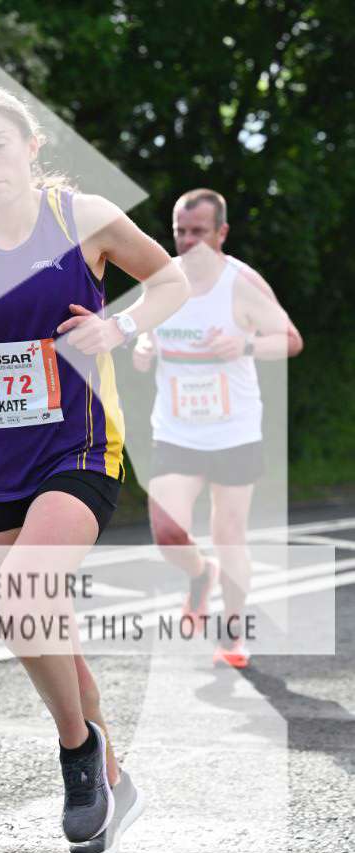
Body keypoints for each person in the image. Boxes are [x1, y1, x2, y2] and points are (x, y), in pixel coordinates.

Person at [0, 87, 189, 853]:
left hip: (79, 449)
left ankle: (78, 757)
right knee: (48, 630)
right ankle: (114, 783)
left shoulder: (82, 218)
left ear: (30, 145)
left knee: (22, 597)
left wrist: (119, 325)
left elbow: (172, 280)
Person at [133, 188, 303, 667]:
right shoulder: (162, 279)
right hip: (176, 431)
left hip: (233, 432)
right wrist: (144, 348)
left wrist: (244, 345)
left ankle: (232, 634)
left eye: (199, 232)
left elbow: (290, 340)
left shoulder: (242, 284)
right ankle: (199, 574)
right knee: (167, 533)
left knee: (230, 536)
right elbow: (146, 332)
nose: (188, 241)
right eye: (180, 232)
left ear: (222, 233)